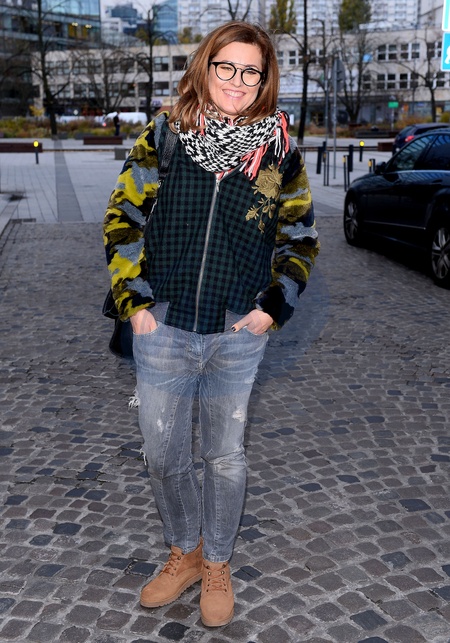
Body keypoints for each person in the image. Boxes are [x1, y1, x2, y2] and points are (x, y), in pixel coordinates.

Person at [103, 20, 319, 628]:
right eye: (227, 66)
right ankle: (185, 551)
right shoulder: (167, 135)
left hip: (236, 332)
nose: (238, 81)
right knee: (163, 454)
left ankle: (217, 560)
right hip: (164, 326)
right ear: (206, 66)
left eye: (251, 71)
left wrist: (271, 308)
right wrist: (135, 304)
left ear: (264, 79)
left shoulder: (276, 154)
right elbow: (123, 215)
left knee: (225, 458)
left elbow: (298, 237)